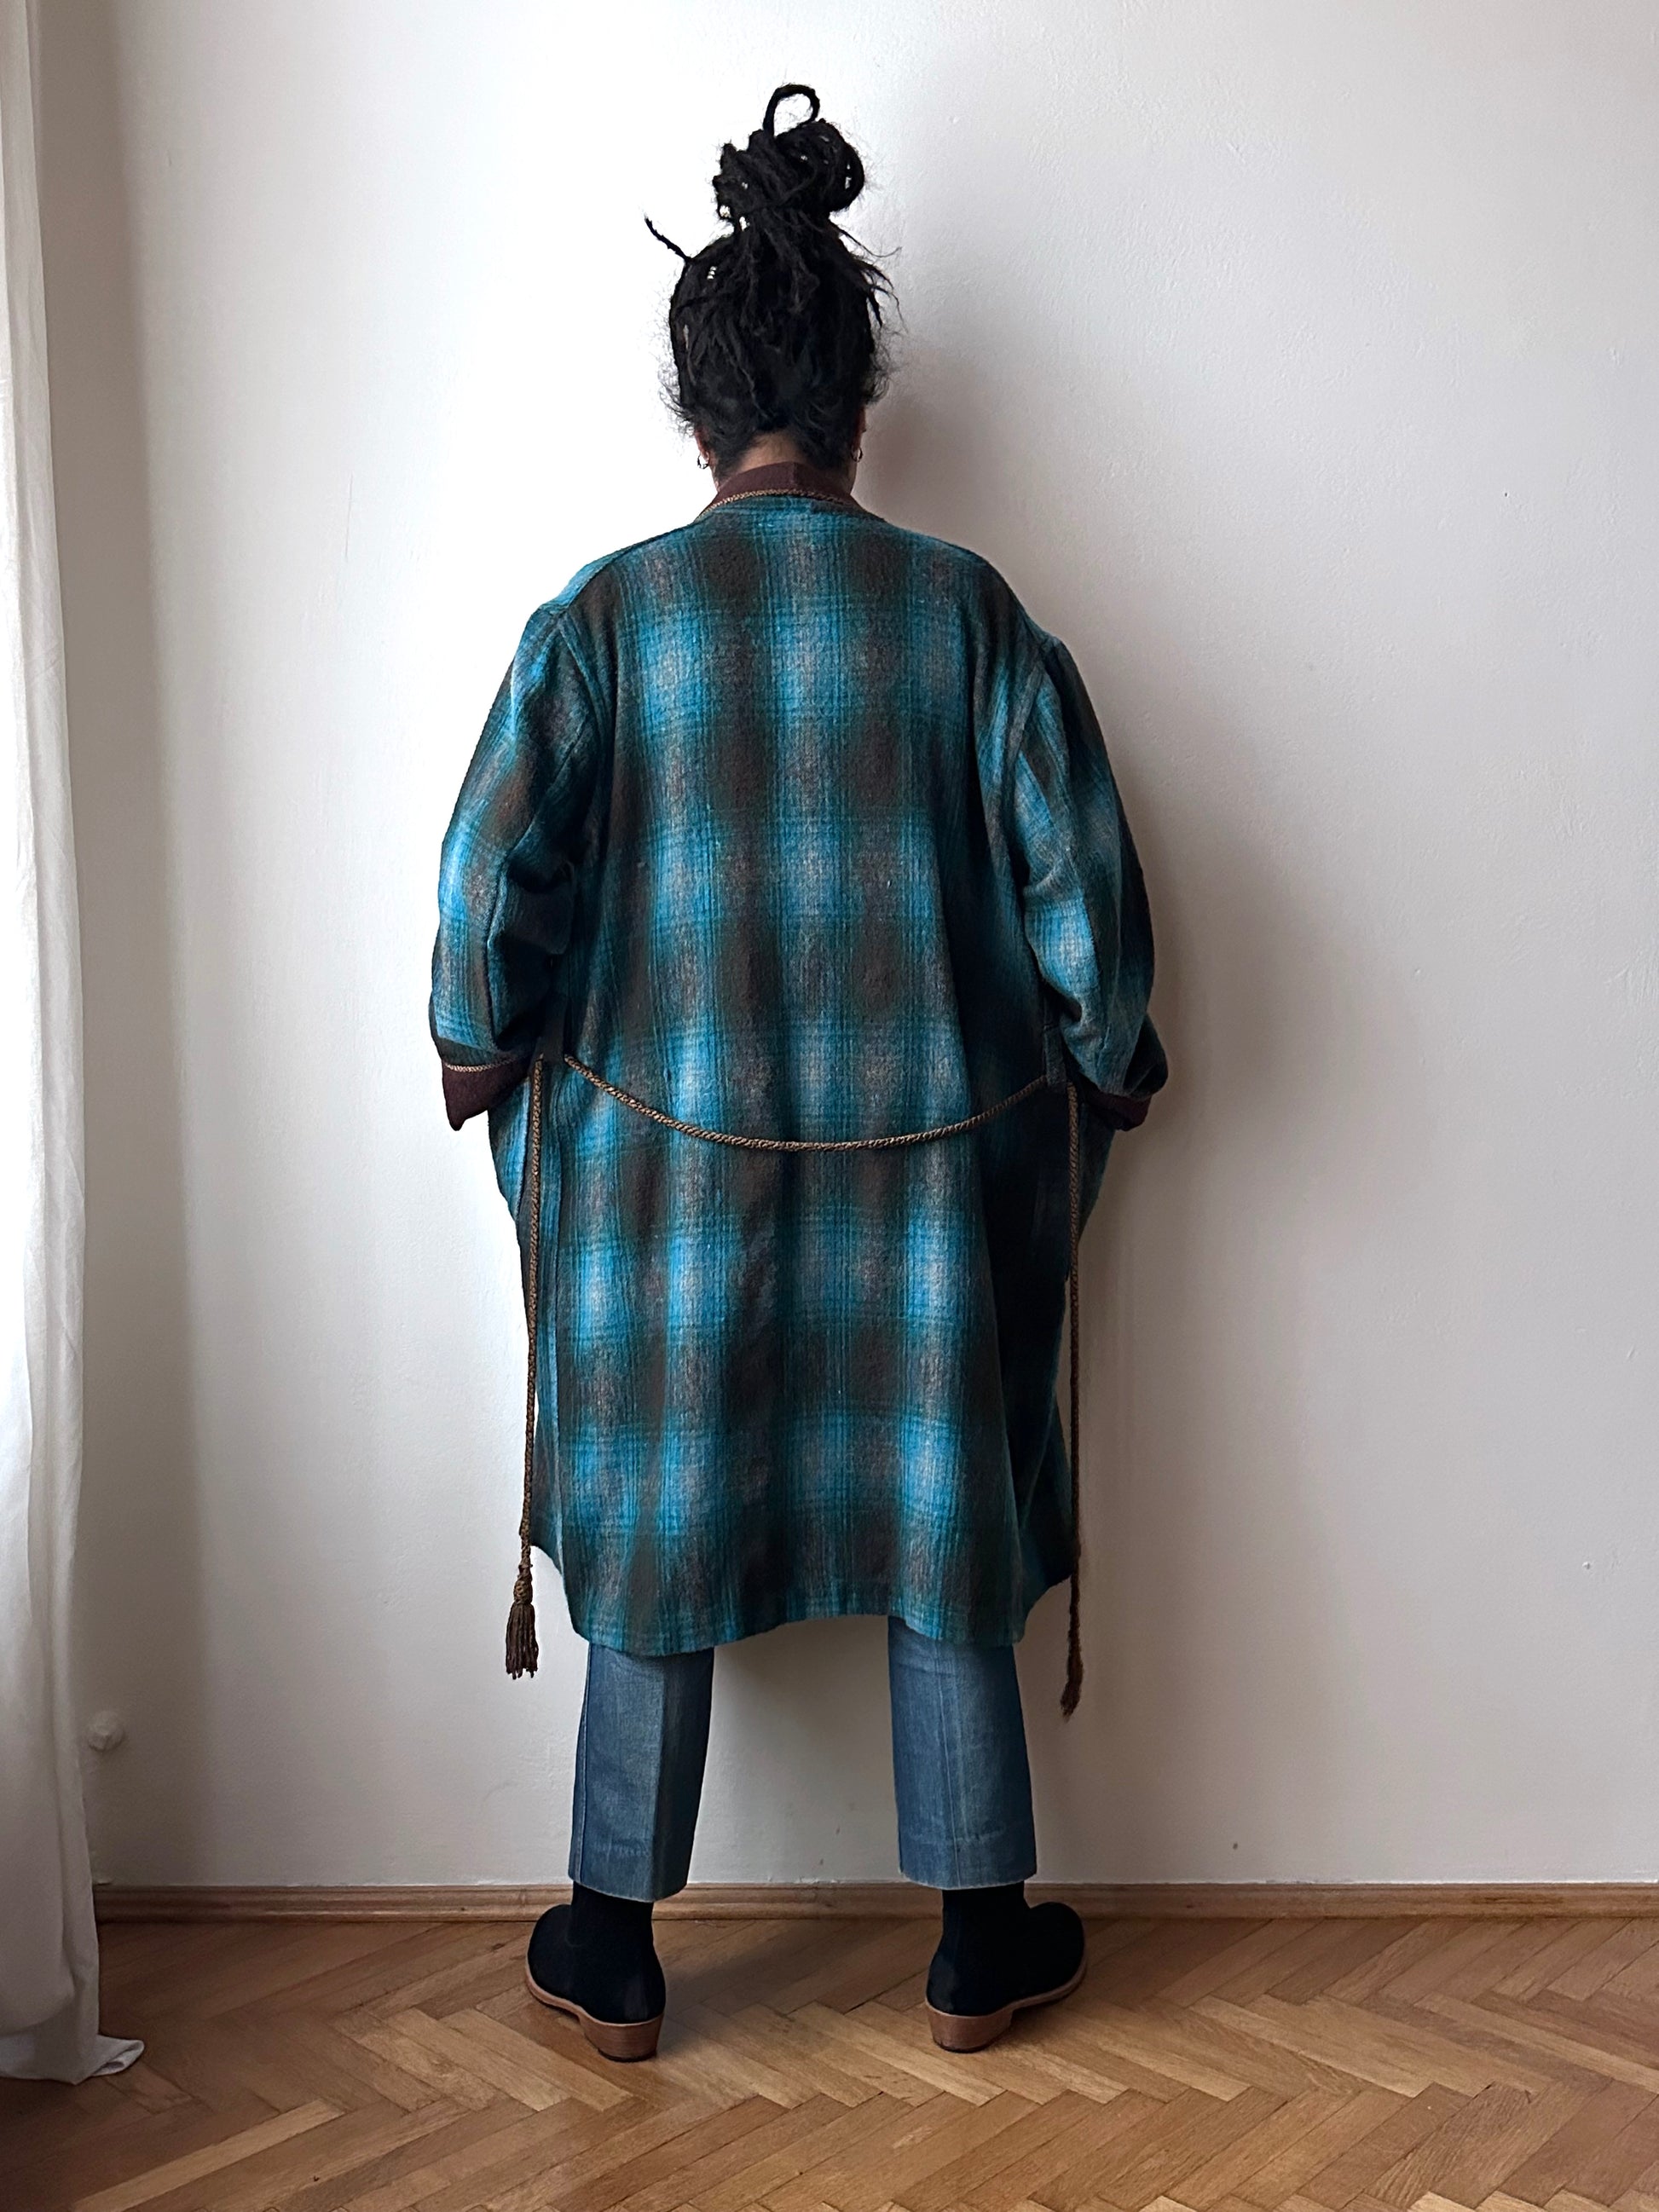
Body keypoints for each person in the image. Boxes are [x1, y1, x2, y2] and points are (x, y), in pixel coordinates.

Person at [429, 84, 1166, 2064]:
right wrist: (1110, 1063)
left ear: (699, 408)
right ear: (858, 402)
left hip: (664, 1202)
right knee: (943, 1509)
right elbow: (1091, 917)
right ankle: (979, 1938)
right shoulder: (968, 616)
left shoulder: (602, 620)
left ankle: (610, 1939)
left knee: (660, 1516)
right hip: (927, 1198)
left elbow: (484, 901)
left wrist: (486, 1053)